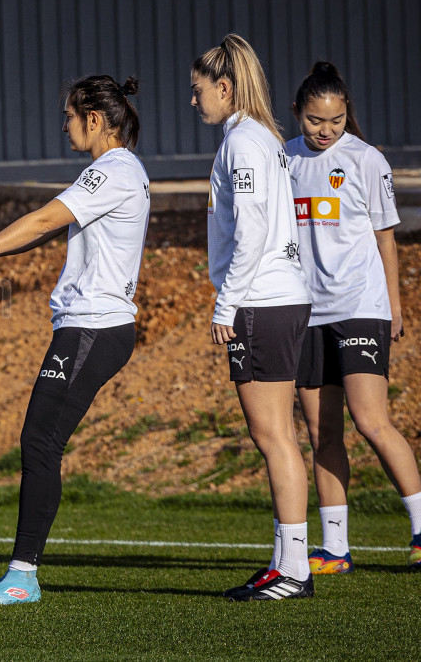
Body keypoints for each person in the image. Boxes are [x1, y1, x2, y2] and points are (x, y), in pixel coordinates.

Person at [0, 75, 149, 605]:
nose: (64, 126)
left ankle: (21, 578)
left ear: (94, 120)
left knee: (40, 442)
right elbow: (46, 230)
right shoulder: (117, 171)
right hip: (90, 326)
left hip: (94, 327)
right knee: (40, 441)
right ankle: (21, 575)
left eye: (69, 116)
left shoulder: (113, 171)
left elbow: (43, 220)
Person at [191, 34, 315, 601]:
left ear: (225, 87)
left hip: (262, 301)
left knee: (273, 437)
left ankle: (294, 571)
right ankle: (285, 563)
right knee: (276, 435)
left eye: (199, 90)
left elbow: (253, 230)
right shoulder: (260, 136)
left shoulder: (244, 140)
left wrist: (227, 303)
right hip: (276, 297)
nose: (194, 101)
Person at [286, 62, 421, 573]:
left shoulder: (367, 160)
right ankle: (336, 549)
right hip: (305, 314)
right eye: (315, 120)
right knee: (322, 433)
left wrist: (395, 307)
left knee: (370, 421)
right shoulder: (283, 159)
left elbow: (386, 240)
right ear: (297, 113)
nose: (326, 130)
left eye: (336, 120)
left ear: (347, 115)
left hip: (362, 307)